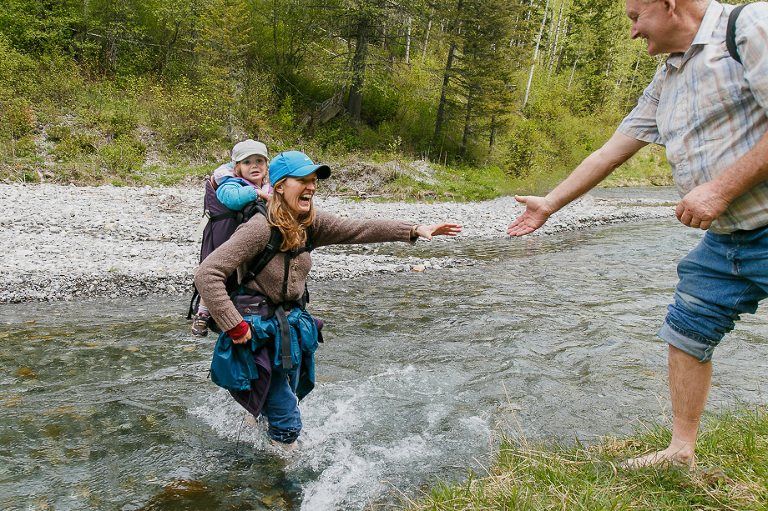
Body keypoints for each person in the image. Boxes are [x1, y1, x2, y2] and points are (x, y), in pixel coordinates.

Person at [507, 0, 768, 469]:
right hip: (729, 241)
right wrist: (549, 203)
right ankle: (680, 451)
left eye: (634, 17)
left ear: (669, 4)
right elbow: (611, 152)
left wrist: (721, 190)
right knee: (688, 329)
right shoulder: (668, 75)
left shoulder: (749, 26)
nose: (631, 33)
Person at [195, 150, 462, 448]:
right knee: (289, 425)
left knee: (288, 398)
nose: (311, 186)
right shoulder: (260, 227)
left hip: (291, 330)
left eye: (313, 181)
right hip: (256, 333)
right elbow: (207, 274)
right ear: (280, 185)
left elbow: (360, 229)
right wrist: (234, 326)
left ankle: (254, 439)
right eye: (302, 180)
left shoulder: (310, 223)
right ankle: (282, 485)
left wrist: (412, 229)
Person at [191, 139, 273, 337]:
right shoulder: (230, 183)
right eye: (247, 162)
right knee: (218, 276)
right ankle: (203, 313)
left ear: (266, 166)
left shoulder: (267, 183)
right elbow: (232, 200)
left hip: (250, 242)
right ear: (236, 168)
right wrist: (257, 193)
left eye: (259, 161)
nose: (254, 166)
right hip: (225, 241)